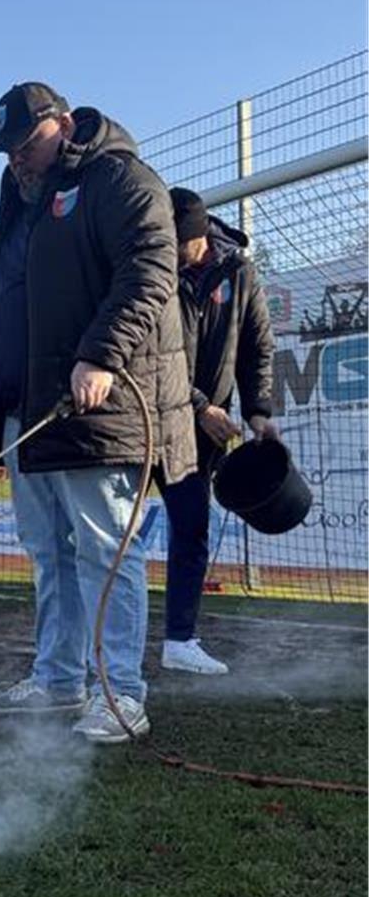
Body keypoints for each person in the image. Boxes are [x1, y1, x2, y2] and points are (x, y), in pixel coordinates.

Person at [0, 80, 196, 743]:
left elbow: (152, 268)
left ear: (62, 124)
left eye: (25, 144)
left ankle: (119, 690)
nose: (17, 160)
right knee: (47, 552)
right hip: (27, 414)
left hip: (97, 410)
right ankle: (59, 679)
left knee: (104, 548)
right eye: (7, 152)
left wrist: (98, 355)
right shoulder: (22, 204)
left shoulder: (117, 180)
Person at [159, 188, 276, 674]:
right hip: (147, 417)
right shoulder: (155, 272)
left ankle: (180, 640)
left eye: (174, 241)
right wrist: (201, 404)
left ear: (199, 237)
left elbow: (257, 348)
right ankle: (90, 646)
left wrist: (258, 412)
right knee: (107, 534)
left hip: (199, 435)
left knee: (190, 527)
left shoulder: (239, 273)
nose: (166, 249)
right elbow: (151, 360)